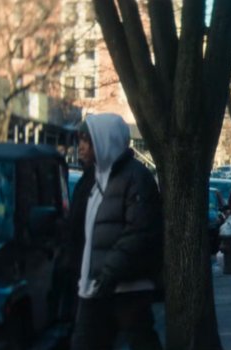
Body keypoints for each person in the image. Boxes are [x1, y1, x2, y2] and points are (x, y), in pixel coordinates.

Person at [69, 113, 164, 350]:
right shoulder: (93, 180)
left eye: (85, 140)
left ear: (103, 140)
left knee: (140, 341)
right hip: (94, 288)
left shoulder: (135, 178)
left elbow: (139, 233)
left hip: (126, 289)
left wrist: (108, 274)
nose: (80, 147)